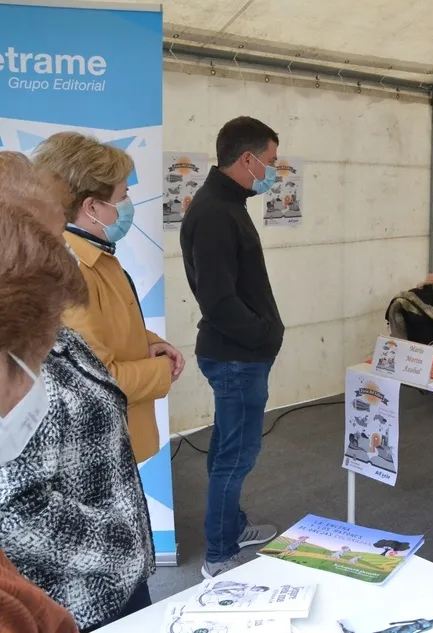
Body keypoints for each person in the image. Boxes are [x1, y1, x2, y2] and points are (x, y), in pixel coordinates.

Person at [0, 159, 155, 632]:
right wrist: (122, 548)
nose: (64, 252)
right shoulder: (22, 363)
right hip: (80, 595)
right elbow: (15, 509)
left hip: (112, 583)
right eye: (52, 240)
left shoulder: (49, 329)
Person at [32, 132, 185, 465]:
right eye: (122, 195)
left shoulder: (91, 256)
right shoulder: (71, 271)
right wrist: (161, 369)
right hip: (99, 447)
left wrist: (151, 342)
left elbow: (109, 329)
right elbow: (96, 379)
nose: (127, 205)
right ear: (91, 207)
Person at [180, 116, 284, 578]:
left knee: (228, 448)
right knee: (235, 457)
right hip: (236, 357)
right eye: (271, 161)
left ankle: (233, 526)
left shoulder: (227, 204)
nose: (274, 170)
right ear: (247, 159)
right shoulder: (215, 214)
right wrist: (264, 334)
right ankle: (220, 555)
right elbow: (218, 300)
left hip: (238, 354)